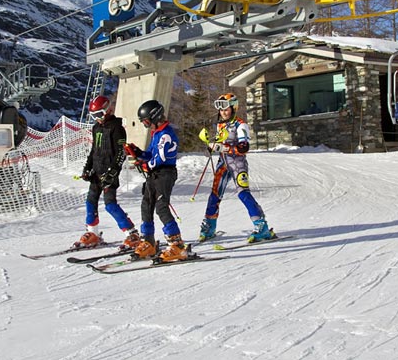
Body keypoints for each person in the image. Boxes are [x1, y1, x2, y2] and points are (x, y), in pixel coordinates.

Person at [198, 93, 275, 243]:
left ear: (233, 108)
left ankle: (261, 226)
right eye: (221, 110)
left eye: (226, 109)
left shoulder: (241, 125)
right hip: (223, 163)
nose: (223, 112)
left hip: (237, 164)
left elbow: (243, 147)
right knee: (215, 194)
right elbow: (221, 142)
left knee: (243, 194)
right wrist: (212, 146)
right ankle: (210, 226)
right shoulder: (220, 124)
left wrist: (222, 147)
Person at [123, 99, 190, 262]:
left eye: (146, 122)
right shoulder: (157, 133)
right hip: (155, 174)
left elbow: (160, 158)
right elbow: (151, 154)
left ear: (154, 117)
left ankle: (177, 245)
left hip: (165, 173)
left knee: (161, 206)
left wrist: (146, 164)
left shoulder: (166, 134)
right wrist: (138, 153)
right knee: (146, 204)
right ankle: (148, 241)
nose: (146, 126)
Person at [74, 95, 140, 250]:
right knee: (90, 202)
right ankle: (93, 233)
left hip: (109, 173)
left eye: (99, 115)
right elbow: (94, 151)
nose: (97, 119)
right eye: (93, 116)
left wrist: (113, 172)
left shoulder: (117, 128)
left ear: (108, 110)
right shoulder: (96, 128)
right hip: (96, 172)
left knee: (110, 205)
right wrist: (87, 168)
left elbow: (121, 153)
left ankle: (132, 233)